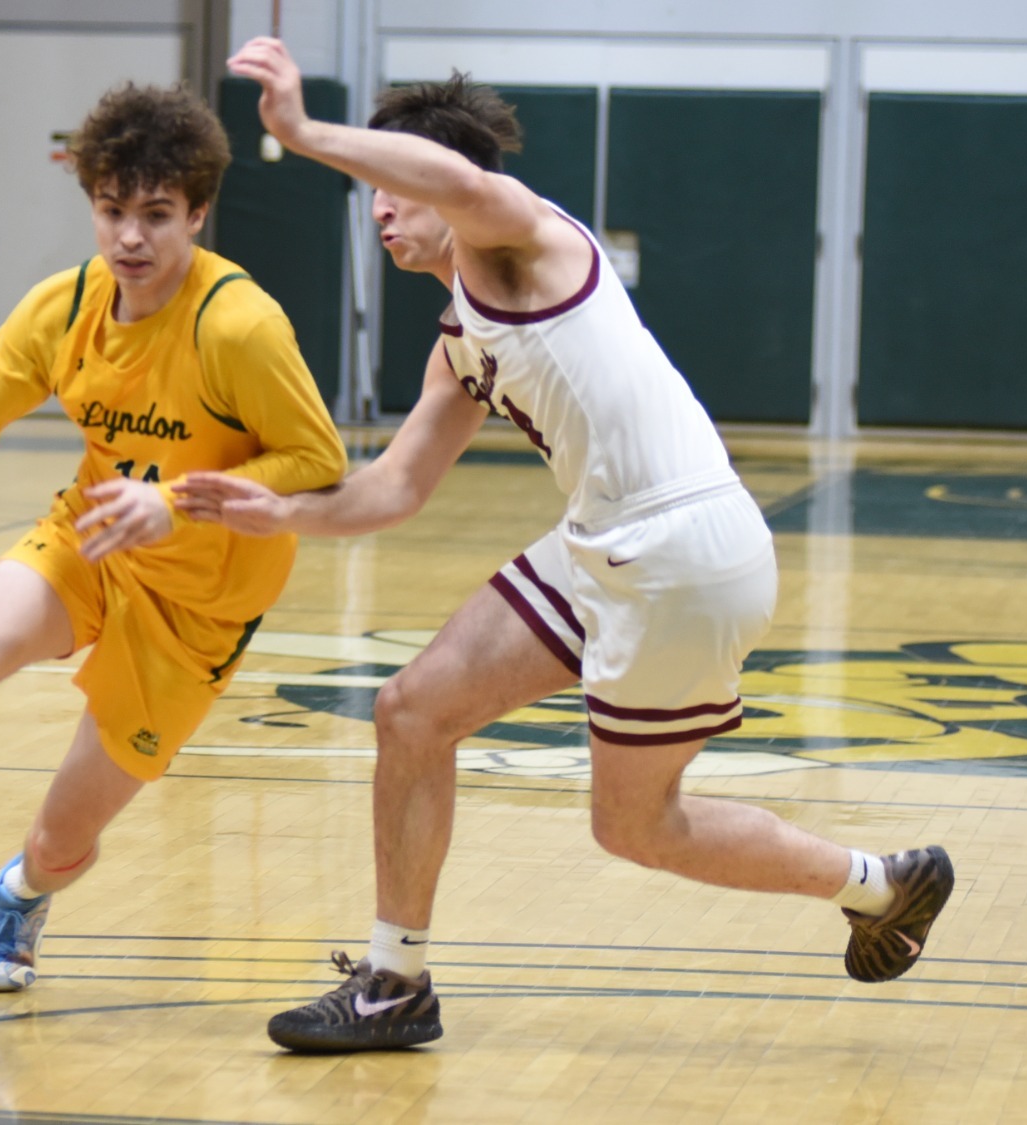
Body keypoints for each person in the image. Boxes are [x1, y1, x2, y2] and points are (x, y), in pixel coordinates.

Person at [192, 40, 956, 1052]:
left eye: (389, 179)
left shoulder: (520, 237)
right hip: (602, 543)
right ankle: (394, 982)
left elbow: (461, 179)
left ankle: (877, 884)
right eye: (366, 186)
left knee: (636, 828)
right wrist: (278, 512)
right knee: (411, 712)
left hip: (683, 550)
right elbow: (392, 487)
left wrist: (301, 132)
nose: (376, 205)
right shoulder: (458, 336)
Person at [0, 81, 347, 993]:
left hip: (200, 604)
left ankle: (20, 896)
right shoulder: (63, 310)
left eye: (157, 214)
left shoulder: (240, 327)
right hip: (91, 539)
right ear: (91, 204)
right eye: (112, 211)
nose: (130, 237)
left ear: (199, 212)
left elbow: (318, 461)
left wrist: (179, 503)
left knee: (63, 839)